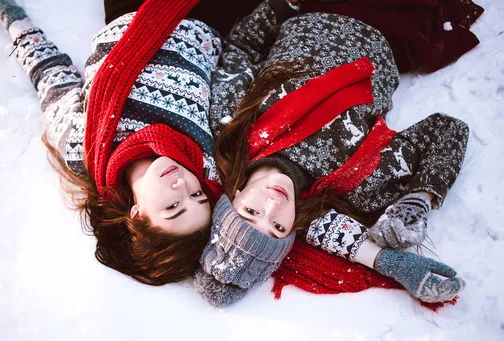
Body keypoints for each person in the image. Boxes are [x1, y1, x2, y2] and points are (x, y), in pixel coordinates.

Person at [195, 1, 469, 306]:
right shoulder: (353, 181)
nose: (272, 206)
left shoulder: (232, 124)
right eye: (279, 227)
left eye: (251, 213)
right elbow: (447, 129)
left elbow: (241, 48)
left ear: (234, 195)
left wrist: (280, 6)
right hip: (392, 24)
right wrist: (419, 199)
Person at [0, 0, 270, 285]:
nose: (183, 185)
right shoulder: (209, 158)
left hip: (132, 10)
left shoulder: (84, 148)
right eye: (198, 196)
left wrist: (14, 21)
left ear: (137, 214)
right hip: (208, 18)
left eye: (172, 206)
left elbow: (51, 77)